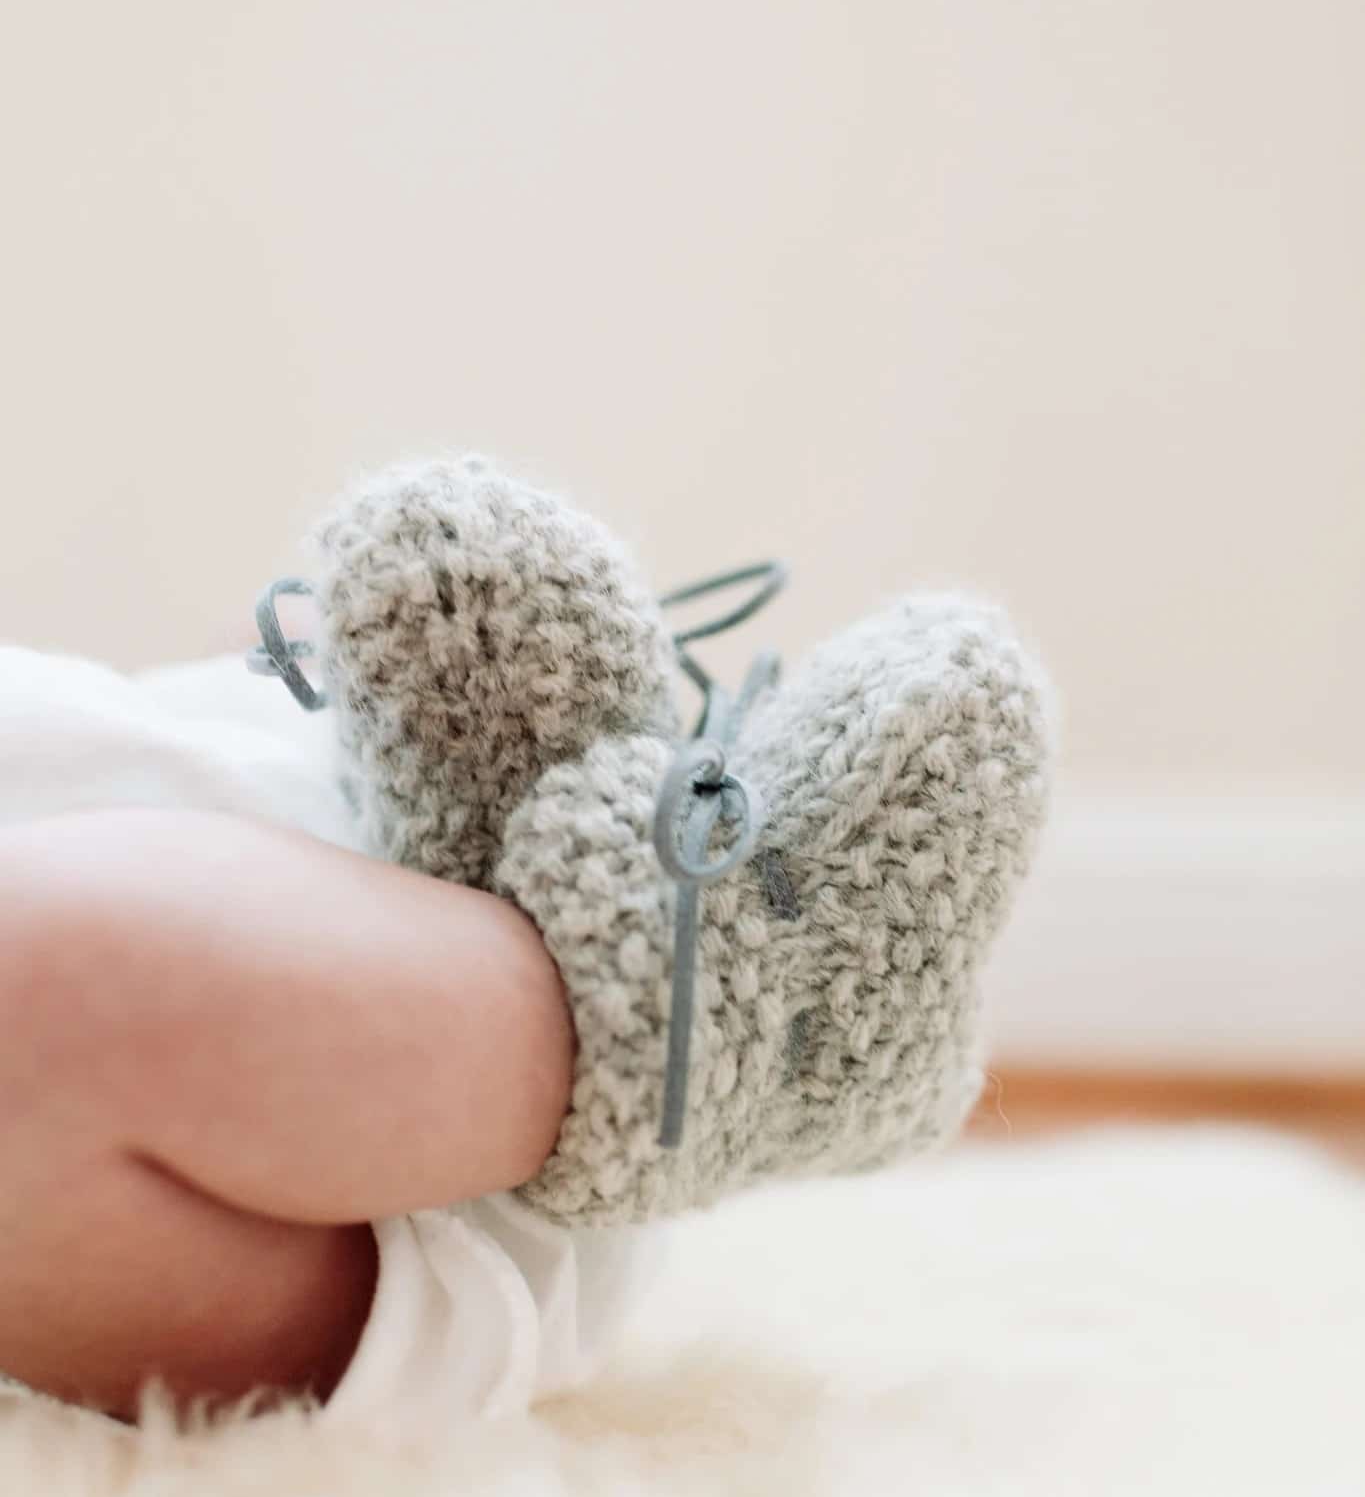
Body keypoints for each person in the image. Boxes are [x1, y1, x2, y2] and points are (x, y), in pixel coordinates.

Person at [0, 457, 1050, 1422]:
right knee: (43, 1001)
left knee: (234, 685)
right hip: (368, 1171)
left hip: (262, 862)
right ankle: (743, 1009)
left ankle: (520, 808)